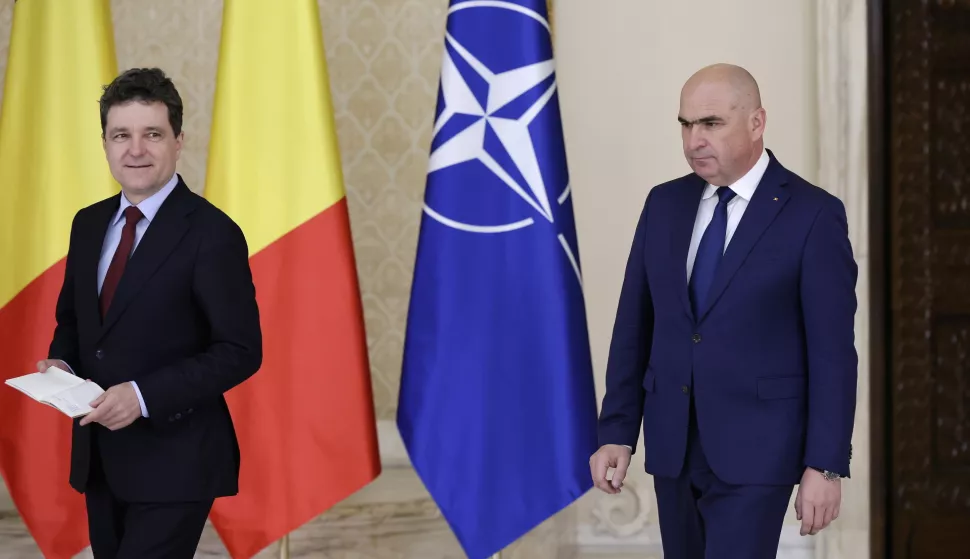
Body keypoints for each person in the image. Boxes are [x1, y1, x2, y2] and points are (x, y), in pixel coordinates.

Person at [589, 63, 857, 559]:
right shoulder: (663, 204)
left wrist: (826, 464)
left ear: (757, 123)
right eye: (686, 125)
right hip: (673, 446)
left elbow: (833, 353)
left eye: (711, 123)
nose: (694, 140)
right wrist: (617, 433)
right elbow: (635, 327)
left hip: (760, 453)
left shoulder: (814, 214)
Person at [34, 67, 262, 558]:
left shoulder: (212, 233)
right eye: (122, 135)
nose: (135, 149)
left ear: (178, 141)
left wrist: (142, 396)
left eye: (151, 134)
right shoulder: (88, 223)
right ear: (105, 143)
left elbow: (240, 351)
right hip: (100, 459)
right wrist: (63, 365)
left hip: (176, 461)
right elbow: (73, 322)